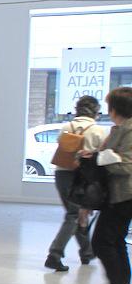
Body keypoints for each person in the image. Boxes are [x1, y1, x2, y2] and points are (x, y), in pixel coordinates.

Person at [45, 95, 108, 271]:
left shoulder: (66, 127)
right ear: (95, 112)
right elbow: (102, 156)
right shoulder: (98, 130)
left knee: (76, 213)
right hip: (82, 177)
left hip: (61, 174)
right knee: (75, 214)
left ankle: (87, 252)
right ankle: (54, 254)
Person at [89, 87, 132, 284]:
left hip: (125, 195)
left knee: (102, 242)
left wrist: (102, 159)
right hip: (117, 195)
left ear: (116, 108)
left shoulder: (129, 130)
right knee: (114, 242)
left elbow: (126, 166)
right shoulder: (120, 129)